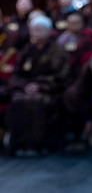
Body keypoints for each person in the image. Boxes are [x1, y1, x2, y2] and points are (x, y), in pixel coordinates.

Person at [4, 13, 72, 155]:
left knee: (41, 102)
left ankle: (42, 145)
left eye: (40, 30)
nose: (37, 33)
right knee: (18, 101)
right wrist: (25, 86)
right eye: (34, 30)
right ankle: (20, 145)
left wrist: (40, 85)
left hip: (48, 90)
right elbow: (15, 74)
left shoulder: (57, 51)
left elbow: (62, 75)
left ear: (48, 31)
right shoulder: (27, 50)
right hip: (26, 89)